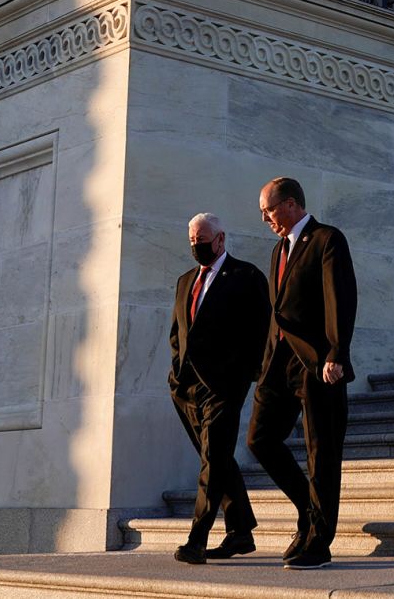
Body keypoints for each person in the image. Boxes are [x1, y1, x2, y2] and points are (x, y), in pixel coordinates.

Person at [246, 176, 357, 570]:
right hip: (278, 365)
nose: (266, 219)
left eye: (269, 210)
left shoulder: (327, 239)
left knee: (321, 453)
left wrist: (336, 353)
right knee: (260, 439)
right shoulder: (279, 250)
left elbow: (338, 299)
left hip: (317, 363)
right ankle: (308, 510)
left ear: (291, 204)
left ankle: (318, 542)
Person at [167, 212, 271, 564]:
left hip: (225, 386)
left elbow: (261, 332)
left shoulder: (246, 276)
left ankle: (197, 539)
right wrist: (176, 376)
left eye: (203, 241)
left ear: (221, 239)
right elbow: (177, 334)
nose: (197, 247)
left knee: (212, 460)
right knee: (216, 457)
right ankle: (240, 531)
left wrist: (245, 375)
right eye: (193, 242)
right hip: (186, 389)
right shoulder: (185, 281)